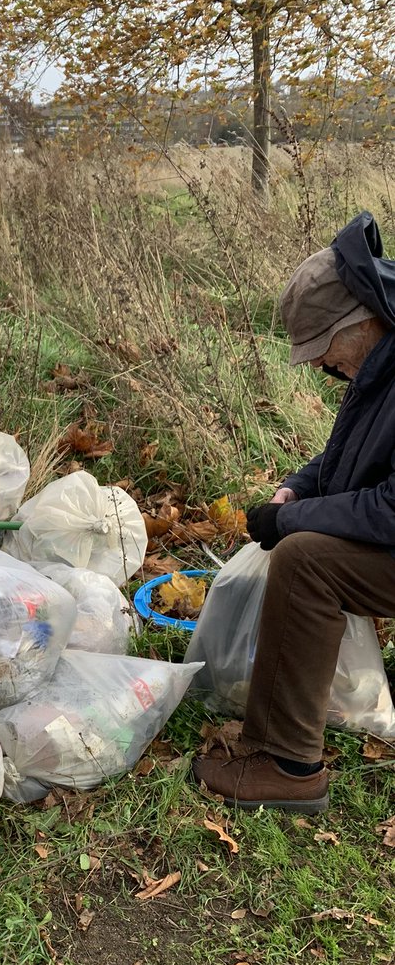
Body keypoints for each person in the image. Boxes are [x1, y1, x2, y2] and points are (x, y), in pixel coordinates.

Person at [192, 211, 395, 813]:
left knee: (307, 561)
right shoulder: (379, 366)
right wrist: (295, 492)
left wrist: (294, 525)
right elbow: (342, 461)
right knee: (304, 538)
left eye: (322, 348)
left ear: (360, 322)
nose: (316, 364)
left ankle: (288, 765)